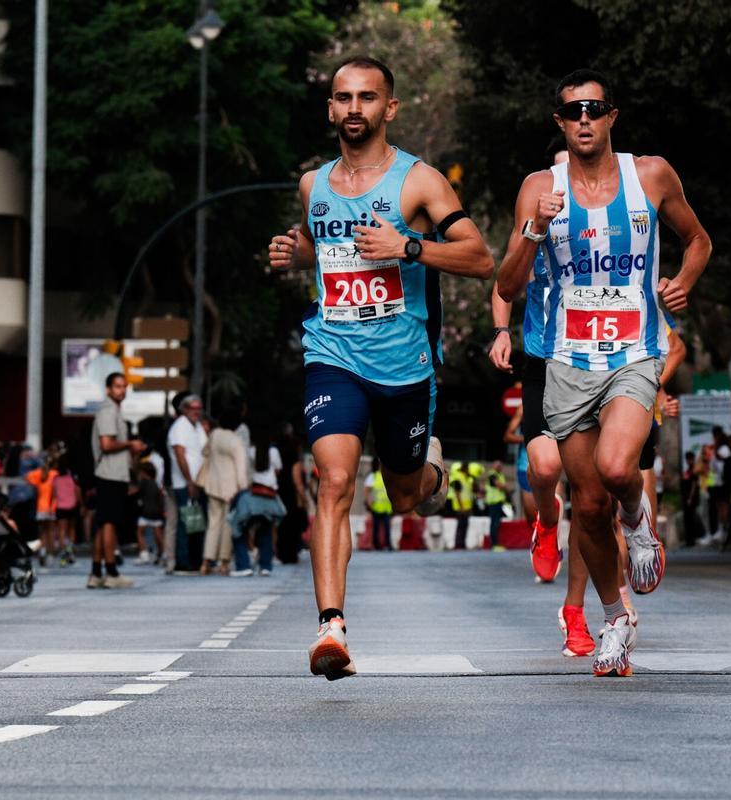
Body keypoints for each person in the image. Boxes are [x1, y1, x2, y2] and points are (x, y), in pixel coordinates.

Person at [266, 55, 492, 680]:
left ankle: (430, 469)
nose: (354, 108)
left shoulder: (419, 182)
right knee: (334, 481)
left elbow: (480, 259)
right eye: (344, 97)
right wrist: (297, 253)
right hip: (332, 353)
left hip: (403, 364)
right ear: (330, 108)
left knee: (406, 496)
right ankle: (330, 627)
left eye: (367, 97)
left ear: (389, 108)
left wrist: (408, 246)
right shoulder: (312, 185)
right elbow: (325, 249)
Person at [495, 69, 711, 677]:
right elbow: (507, 285)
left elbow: (698, 240)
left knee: (618, 469)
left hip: (635, 353)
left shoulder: (652, 176)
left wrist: (683, 283)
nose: (585, 119)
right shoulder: (539, 187)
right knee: (587, 507)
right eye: (573, 111)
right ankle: (615, 618)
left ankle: (639, 524)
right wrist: (535, 229)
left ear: (613, 116)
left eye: (595, 108)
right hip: (566, 361)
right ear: (560, 123)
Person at [489, 140, 570, 583]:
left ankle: (611, 601)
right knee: (545, 465)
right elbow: (505, 281)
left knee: (600, 486)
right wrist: (502, 332)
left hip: (600, 360)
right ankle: (547, 522)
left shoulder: (610, 220)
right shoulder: (532, 223)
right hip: (544, 355)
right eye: (557, 175)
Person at [89, 373, 143, 589]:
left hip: (113, 473)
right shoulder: (108, 411)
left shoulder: (114, 411)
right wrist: (130, 444)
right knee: (110, 522)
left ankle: (96, 572)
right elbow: (106, 444)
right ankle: (111, 571)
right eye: (117, 386)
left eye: (124, 386)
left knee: (104, 523)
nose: (122, 390)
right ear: (108, 389)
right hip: (110, 473)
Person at [198, 408, 249, 576]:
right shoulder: (236, 441)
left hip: (213, 485)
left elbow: (204, 452)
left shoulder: (214, 435)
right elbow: (241, 468)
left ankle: (206, 562)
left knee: (213, 524)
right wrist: (243, 487)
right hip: (231, 488)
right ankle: (224, 563)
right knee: (228, 525)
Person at [231, 428, 286, 576]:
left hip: (252, 497)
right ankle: (265, 566)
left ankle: (243, 565)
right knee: (266, 531)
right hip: (269, 496)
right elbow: (278, 470)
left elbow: (246, 472)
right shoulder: (273, 451)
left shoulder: (250, 450)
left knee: (239, 527)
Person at [168, 394, 207, 572]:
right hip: (184, 483)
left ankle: (194, 560)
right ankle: (182, 562)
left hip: (198, 482)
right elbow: (180, 455)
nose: (196, 412)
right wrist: (189, 481)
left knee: (196, 523)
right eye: (193, 408)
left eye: (199, 408)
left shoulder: (197, 426)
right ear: (184, 409)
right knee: (185, 522)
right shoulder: (180, 427)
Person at [25, 458, 60, 565]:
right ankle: (50, 554)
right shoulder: (54, 474)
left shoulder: (39, 474)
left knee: (42, 532)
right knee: (51, 532)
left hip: (40, 508)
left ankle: (42, 552)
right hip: (51, 507)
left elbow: (27, 477)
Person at [134, 461, 165, 564]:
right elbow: (160, 498)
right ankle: (162, 554)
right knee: (158, 534)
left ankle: (144, 554)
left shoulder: (143, 483)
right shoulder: (156, 484)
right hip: (157, 512)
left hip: (145, 512)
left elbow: (137, 493)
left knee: (139, 532)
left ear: (144, 473)